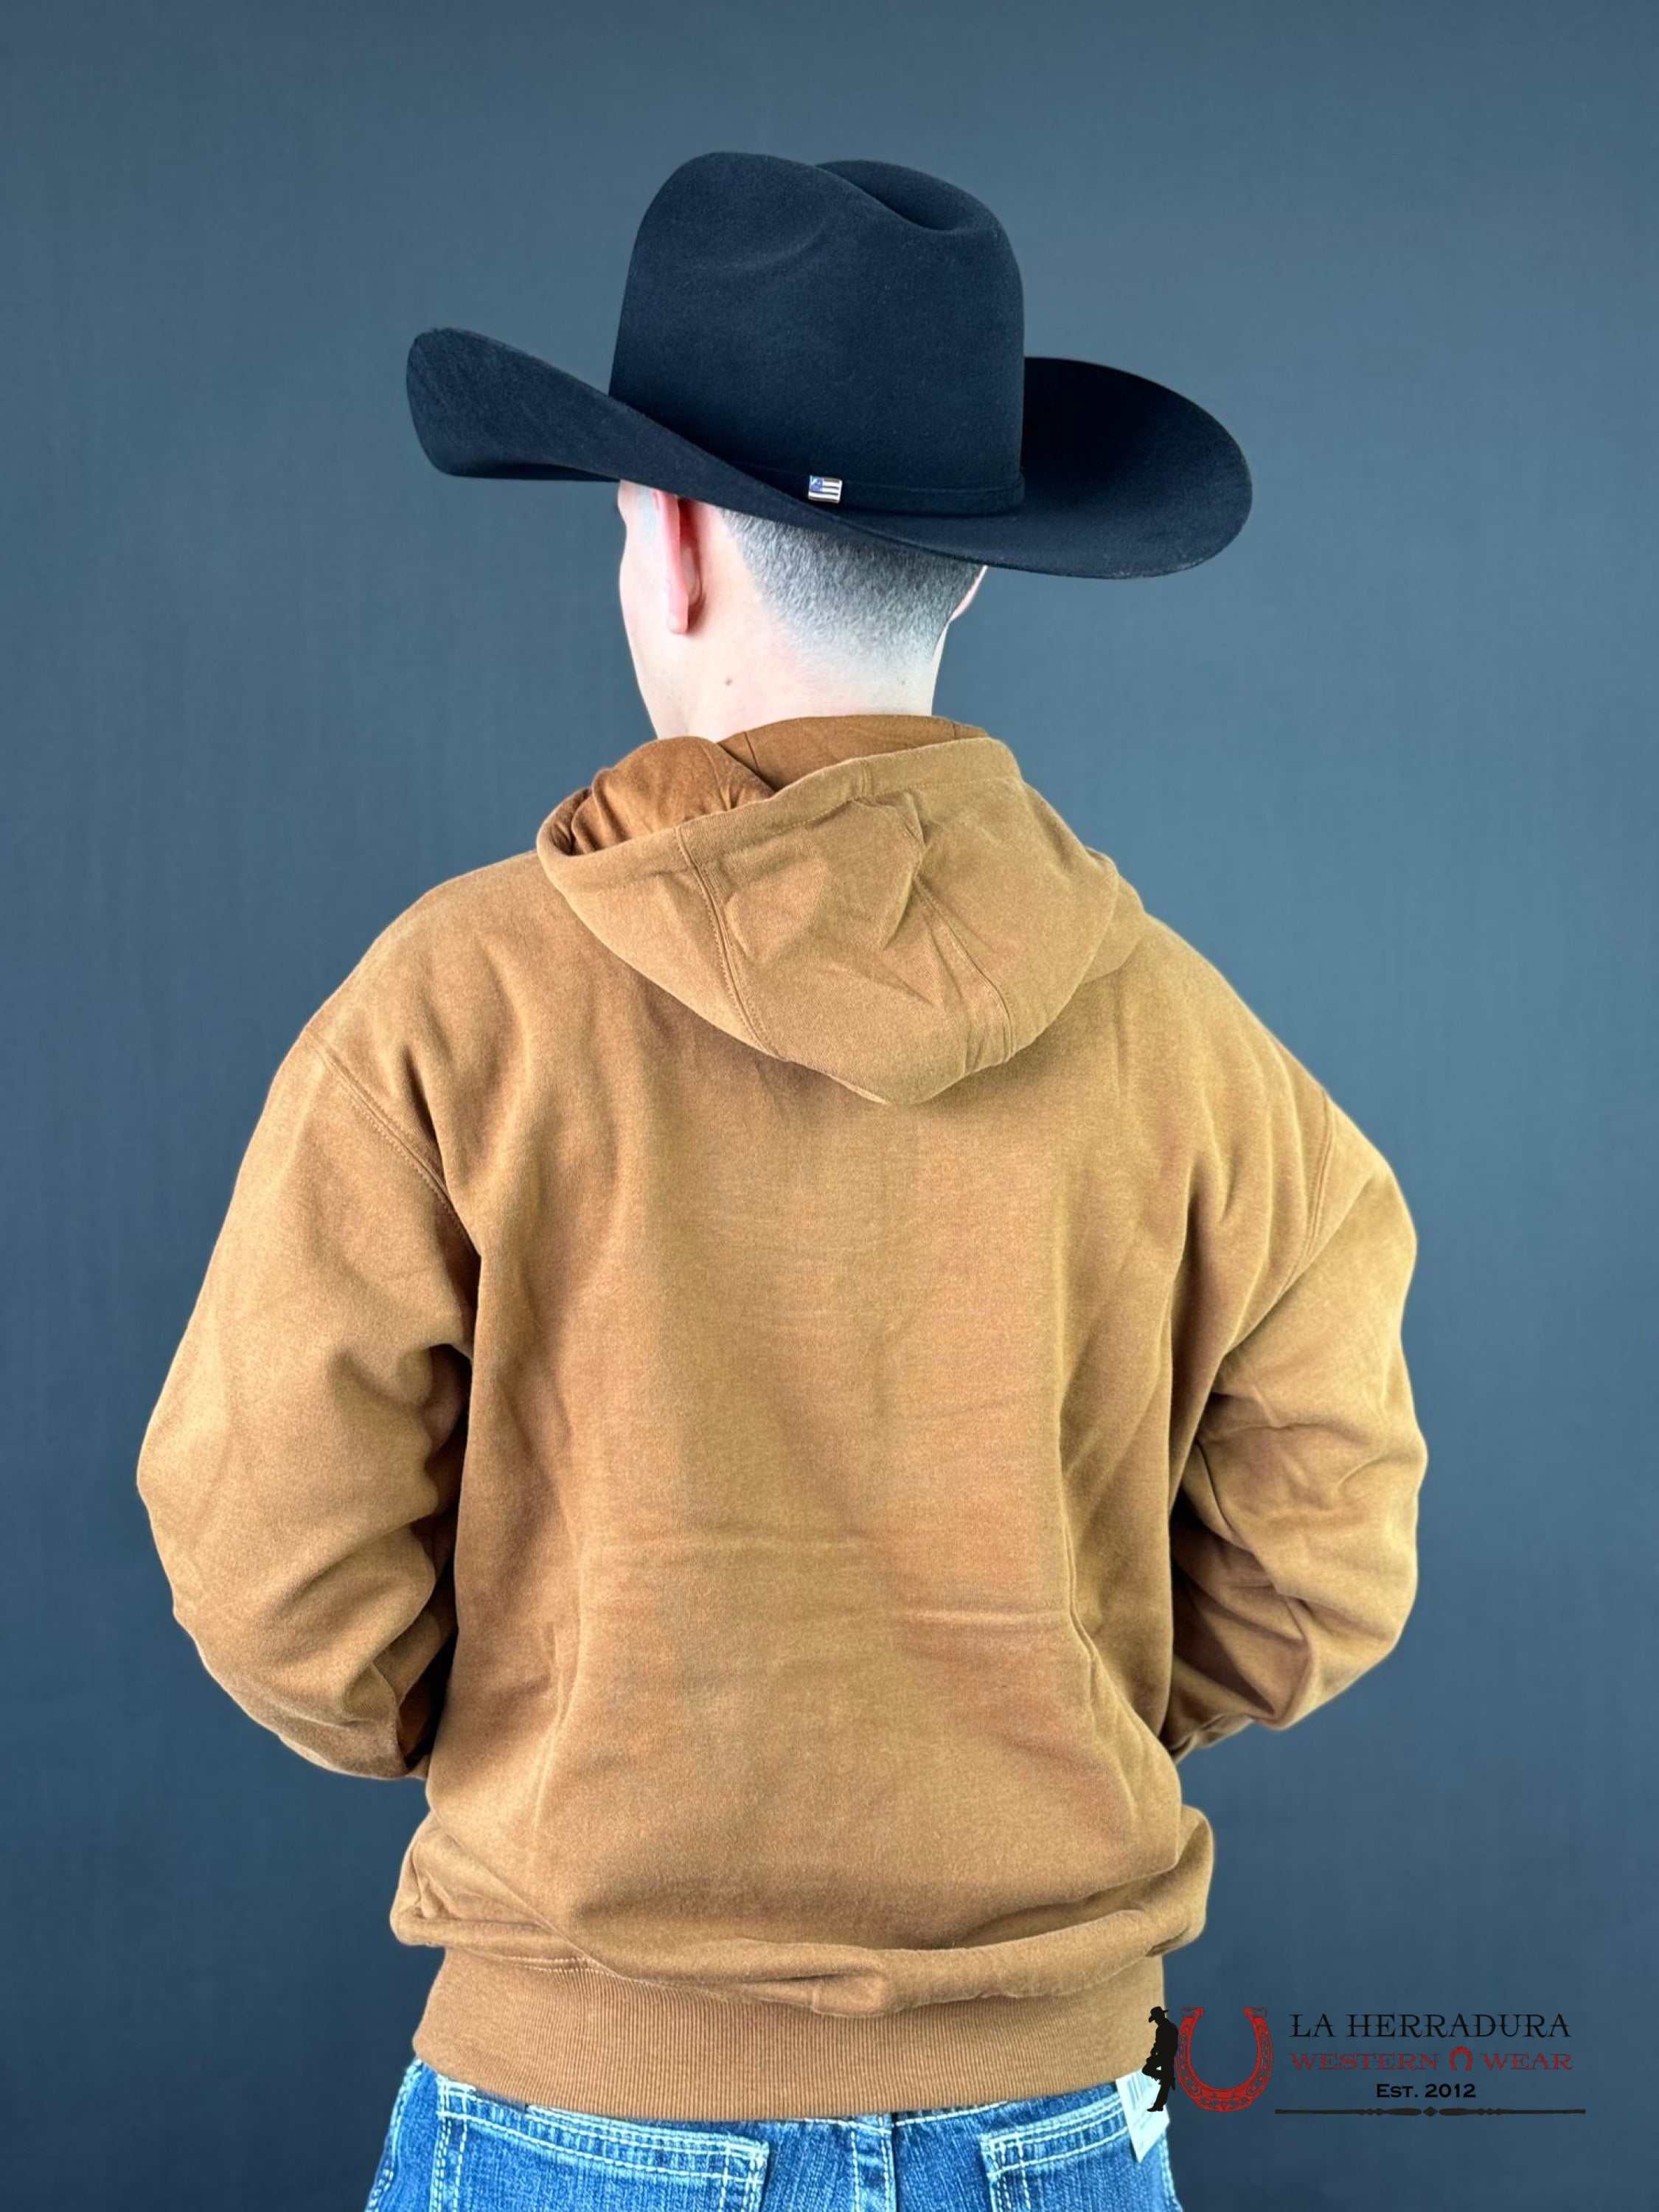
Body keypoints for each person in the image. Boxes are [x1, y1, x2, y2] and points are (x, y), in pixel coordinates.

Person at [136, 152, 1427, 2212]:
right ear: (971, 573)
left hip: (573, 2109)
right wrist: (1034, 1707)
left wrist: (550, 1732)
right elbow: (1323, 1562)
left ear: (658, 540)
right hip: (1055, 2127)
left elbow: (275, 1571)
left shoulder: (451, 1008)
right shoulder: (1203, 1053)